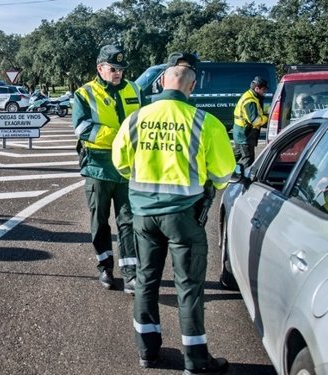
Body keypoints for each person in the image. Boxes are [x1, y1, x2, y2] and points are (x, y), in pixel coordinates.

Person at [112, 52, 236, 374]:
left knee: (146, 280)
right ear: (191, 87)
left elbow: (122, 164)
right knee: (189, 287)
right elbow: (223, 173)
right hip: (184, 217)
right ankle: (195, 360)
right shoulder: (204, 122)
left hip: (143, 216)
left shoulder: (136, 119)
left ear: (163, 80)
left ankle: (147, 352)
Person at [72, 44, 141, 293]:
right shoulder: (84, 94)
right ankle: (105, 268)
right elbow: (83, 128)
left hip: (127, 169)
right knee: (100, 222)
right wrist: (121, 136)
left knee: (129, 222)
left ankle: (131, 274)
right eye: (113, 69)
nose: (118, 73)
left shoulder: (135, 88)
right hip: (98, 168)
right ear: (100, 68)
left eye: (121, 69)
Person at [233, 76, 269, 168]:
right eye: (263, 89)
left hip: (240, 132)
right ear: (257, 88)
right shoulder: (250, 101)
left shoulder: (251, 95)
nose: (264, 92)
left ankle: (222, 172)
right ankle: (244, 178)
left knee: (235, 156)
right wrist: (267, 118)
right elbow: (255, 121)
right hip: (245, 134)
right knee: (248, 158)